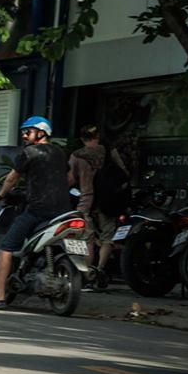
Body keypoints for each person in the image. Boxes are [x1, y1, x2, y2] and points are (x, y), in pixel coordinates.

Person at [0, 116, 72, 308]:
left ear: (41, 133)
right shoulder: (59, 152)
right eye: (24, 132)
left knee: (7, 247)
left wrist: (1, 195)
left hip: (38, 210)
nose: (24, 136)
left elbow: (11, 179)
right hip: (63, 210)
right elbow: (70, 177)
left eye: (28, 132)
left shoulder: (29, 153)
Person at [69, 124, 129, 291]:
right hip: (108, 202)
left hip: (86, 202)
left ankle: (88, 277)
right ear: (97, 137)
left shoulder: (77, 156)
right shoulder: (109, 152)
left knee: (86, 240)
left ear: (82, 139)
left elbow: (71, 179)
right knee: (107, 238)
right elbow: (123, 173)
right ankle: (100, 271)